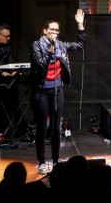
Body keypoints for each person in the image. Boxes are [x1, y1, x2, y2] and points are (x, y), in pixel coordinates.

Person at [30, 10, 86, 174]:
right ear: (45, 31)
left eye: (57, 30)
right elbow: (41, 63)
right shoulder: (37, 45)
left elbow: (81, 44)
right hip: (41, 91)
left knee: (56, 128)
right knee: (42, 128)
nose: (55, 32)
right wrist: (52, 48)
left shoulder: (61, 45)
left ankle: (55, 161)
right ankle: (42, 161)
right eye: (52, 29)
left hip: (56, 90)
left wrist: (80, 24)